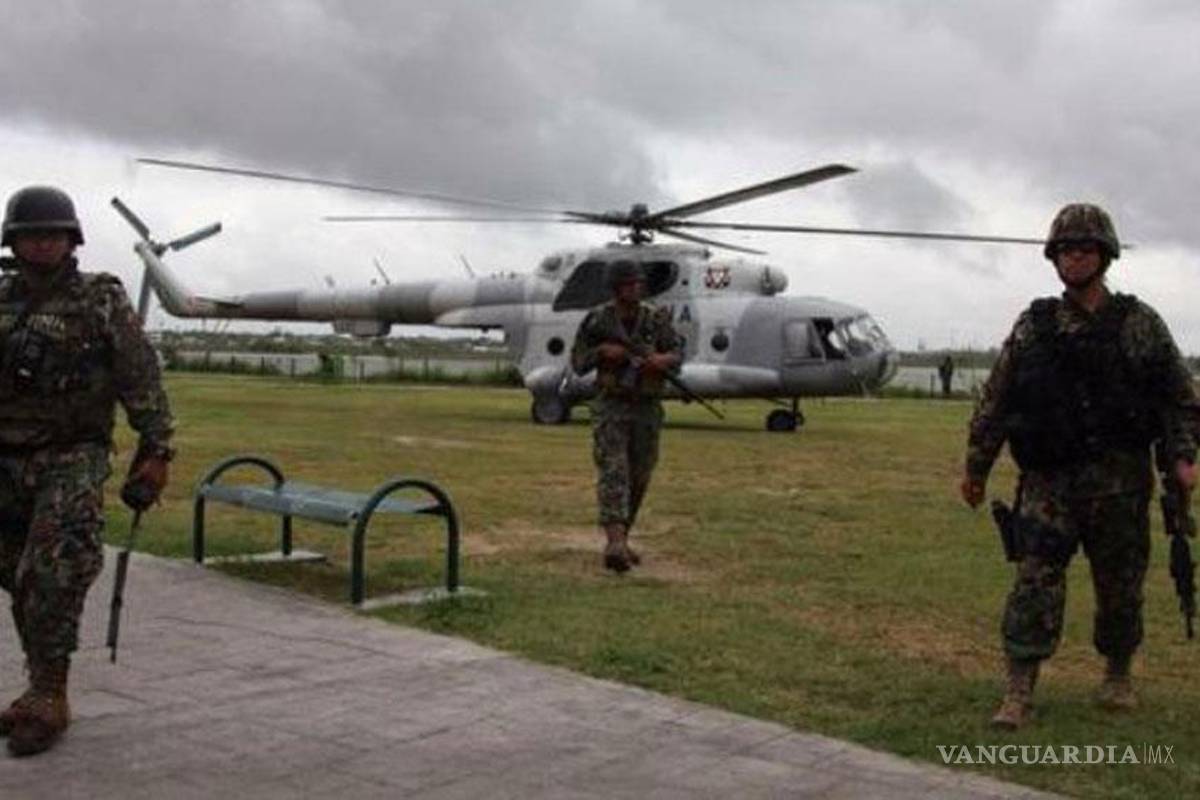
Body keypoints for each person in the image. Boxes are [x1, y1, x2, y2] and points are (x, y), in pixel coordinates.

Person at [960, 203, 1198, 730]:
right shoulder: (1034, 326)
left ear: (1105, 255)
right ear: (1054, 257)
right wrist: (976, 467)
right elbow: (998, 399)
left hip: (1120, 484)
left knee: (1120, 588)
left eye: (1085, 248)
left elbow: (1179, 398)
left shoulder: (1139, 324)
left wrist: (1182, 457)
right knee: (1034, 584)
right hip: (1049, 485)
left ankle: (1117, 674)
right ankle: (1019, 690)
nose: (1074, 257)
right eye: (1065, 249)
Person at [0, 186, 174, 756]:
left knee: (53, 571)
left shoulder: (99, 299)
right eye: (31, 234)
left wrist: (156, 449)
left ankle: (50, 695)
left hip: (72, 456)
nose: (42, 243)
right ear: (13, 241)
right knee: (19, 578)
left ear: (71, 240)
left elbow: (139, 375)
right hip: (6, 458)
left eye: (53, 234)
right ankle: (39, 686)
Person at [570, 260, 681, 573]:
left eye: (638, 283)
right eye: (630, 283)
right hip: (611, 405)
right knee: (614, 470)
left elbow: (677, 355)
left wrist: (660, 361)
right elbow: (578, 362)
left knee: (640, 476)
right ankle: (615, 542)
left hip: (647, 406)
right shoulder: (597, 319)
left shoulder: (656, 318)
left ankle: (623, 538)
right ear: (616, 287)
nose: (636, 288)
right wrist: (602, 353)